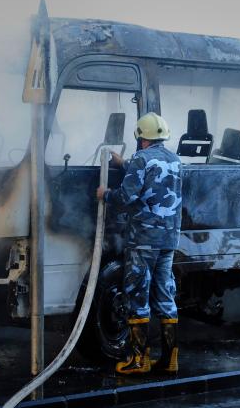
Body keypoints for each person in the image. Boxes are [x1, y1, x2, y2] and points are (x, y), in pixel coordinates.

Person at [96, 112, 182, 375]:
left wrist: (106, 194)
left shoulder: (142, 159)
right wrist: (125, 164)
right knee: (165, 296)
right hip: (168, 239)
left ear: (140, 137)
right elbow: (152, 176)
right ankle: (169, 359)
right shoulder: (176, 160)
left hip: (144, 240)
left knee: (137, 296)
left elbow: (127, 195)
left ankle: (138, 360)